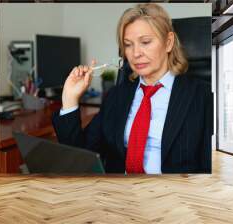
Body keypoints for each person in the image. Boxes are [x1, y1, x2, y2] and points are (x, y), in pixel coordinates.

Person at [52, 3, 212, 174]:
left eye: (145, 42)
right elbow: (80, 157)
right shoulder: (117, 96)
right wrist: (70, 99)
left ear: (168, 42)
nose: (136, 53)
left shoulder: (202, 97)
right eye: (128, 44)